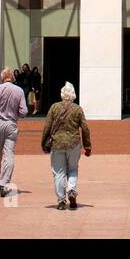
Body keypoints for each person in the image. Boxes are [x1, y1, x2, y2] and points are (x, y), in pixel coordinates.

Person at [41, 81, 92, 211]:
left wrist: (44, 142)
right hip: (73, 144)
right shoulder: (77, 109)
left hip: (57, 144)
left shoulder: (54, 107)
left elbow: (47, 127)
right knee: (73, 169)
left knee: (59, 172)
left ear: (62, 94)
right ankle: (71, 190)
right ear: (73, 95)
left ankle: (61, 200)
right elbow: (85, 128)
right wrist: (87, 146)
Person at [0, 67, 28, 196]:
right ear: (13, 77)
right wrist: (15, 114)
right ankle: (4, 183)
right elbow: (24, 111)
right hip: (11, 123)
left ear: (2, 77)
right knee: (9, 154)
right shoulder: (19, 90)